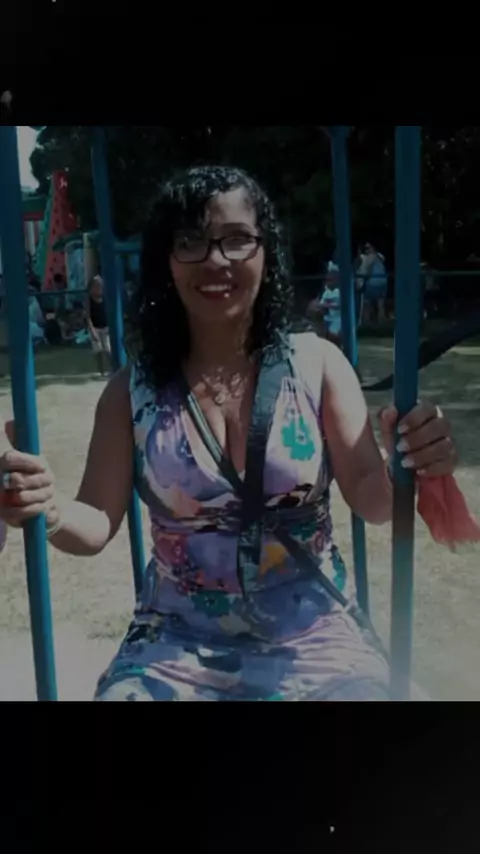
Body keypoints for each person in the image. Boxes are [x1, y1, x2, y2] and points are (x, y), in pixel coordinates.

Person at [0, 165, 458, 702]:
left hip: (316, 638)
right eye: (191, 241)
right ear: (167, 260)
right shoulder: (131, 392)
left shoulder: (318, 366)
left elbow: (373, 500)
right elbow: (97, 521)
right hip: (172, 644)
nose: (215, 260)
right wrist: (49, 508)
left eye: (237, 239)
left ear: (266, 251)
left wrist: (412, 459)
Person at [357, 242, 388, 325]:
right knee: (380, 303)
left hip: (374, 282)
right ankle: (381, 323)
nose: (366, 250)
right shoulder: (379, 256)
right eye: (365, 248)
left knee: (367, 303)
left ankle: (366, 323)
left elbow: (366, 270)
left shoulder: (370, 257)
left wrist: (361, 281)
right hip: (383, 281)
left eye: (368, 248)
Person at [86, 275, 111, 377]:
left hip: (106, 327)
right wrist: (92, 330)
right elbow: (88, 317)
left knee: (108, 349)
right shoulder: (89, 299)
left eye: (100, 286)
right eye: (96, 286)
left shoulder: (106, 298)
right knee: (98, 351)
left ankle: (113, 369)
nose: (98, 288)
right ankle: (102, 372)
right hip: (95, 327)